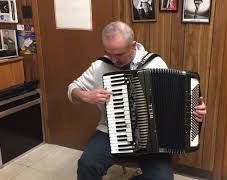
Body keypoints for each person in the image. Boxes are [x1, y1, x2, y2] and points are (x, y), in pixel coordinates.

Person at [67, 21, 207, 180]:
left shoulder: (154, 63)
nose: (113, 60)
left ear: (133, 45)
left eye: (119, 54)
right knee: (87, 164)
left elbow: (174, 103)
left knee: (163, 179)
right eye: (108, 53)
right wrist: (86, 95)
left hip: (153, 137)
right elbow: (72, 89)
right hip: (111, 131)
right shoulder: (100, 66)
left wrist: (195, 112)